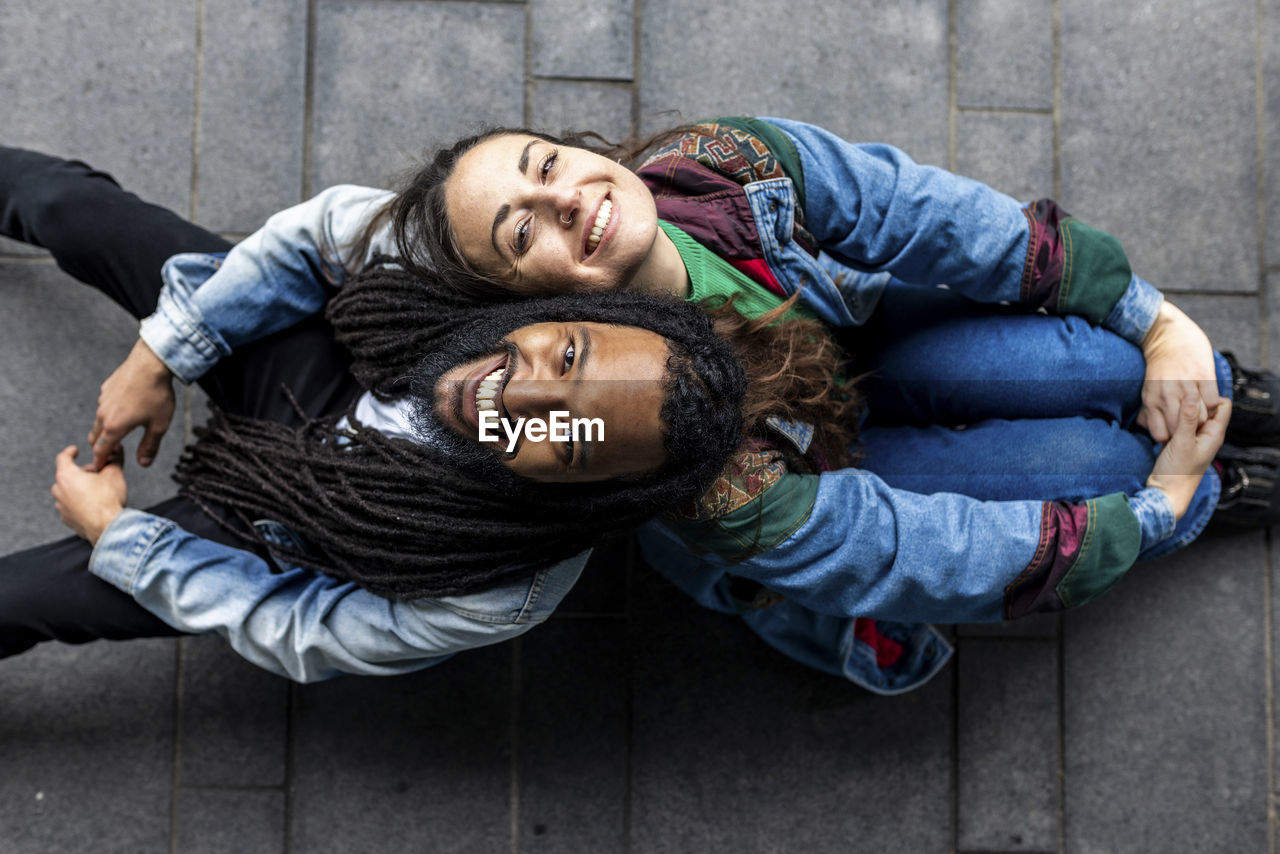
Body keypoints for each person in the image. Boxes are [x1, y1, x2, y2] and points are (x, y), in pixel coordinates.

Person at [2, 146, 827, 681]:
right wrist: (164, 352)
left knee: (17, 599)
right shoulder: (486, 269)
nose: (520, 393)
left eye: (569, 438)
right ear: (580, 315)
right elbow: (323, 233)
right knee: (72, 211)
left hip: (291, 523)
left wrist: (121, 541)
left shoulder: (506, 589)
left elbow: (303, 630)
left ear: (593, 494)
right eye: (568, 356)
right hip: (311, 354)